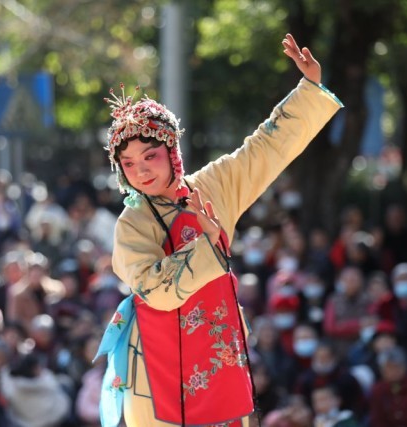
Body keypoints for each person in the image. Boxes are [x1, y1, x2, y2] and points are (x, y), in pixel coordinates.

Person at [94, 34, 343, 427]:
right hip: (158, 368)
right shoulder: (132, 222)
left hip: (217, 351)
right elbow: (153, 289)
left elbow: (262, 151)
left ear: (172, 151)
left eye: (150, 156)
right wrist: (208, 244)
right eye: (128, 163)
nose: (140, 170)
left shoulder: (212, 186)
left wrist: (308, 89)